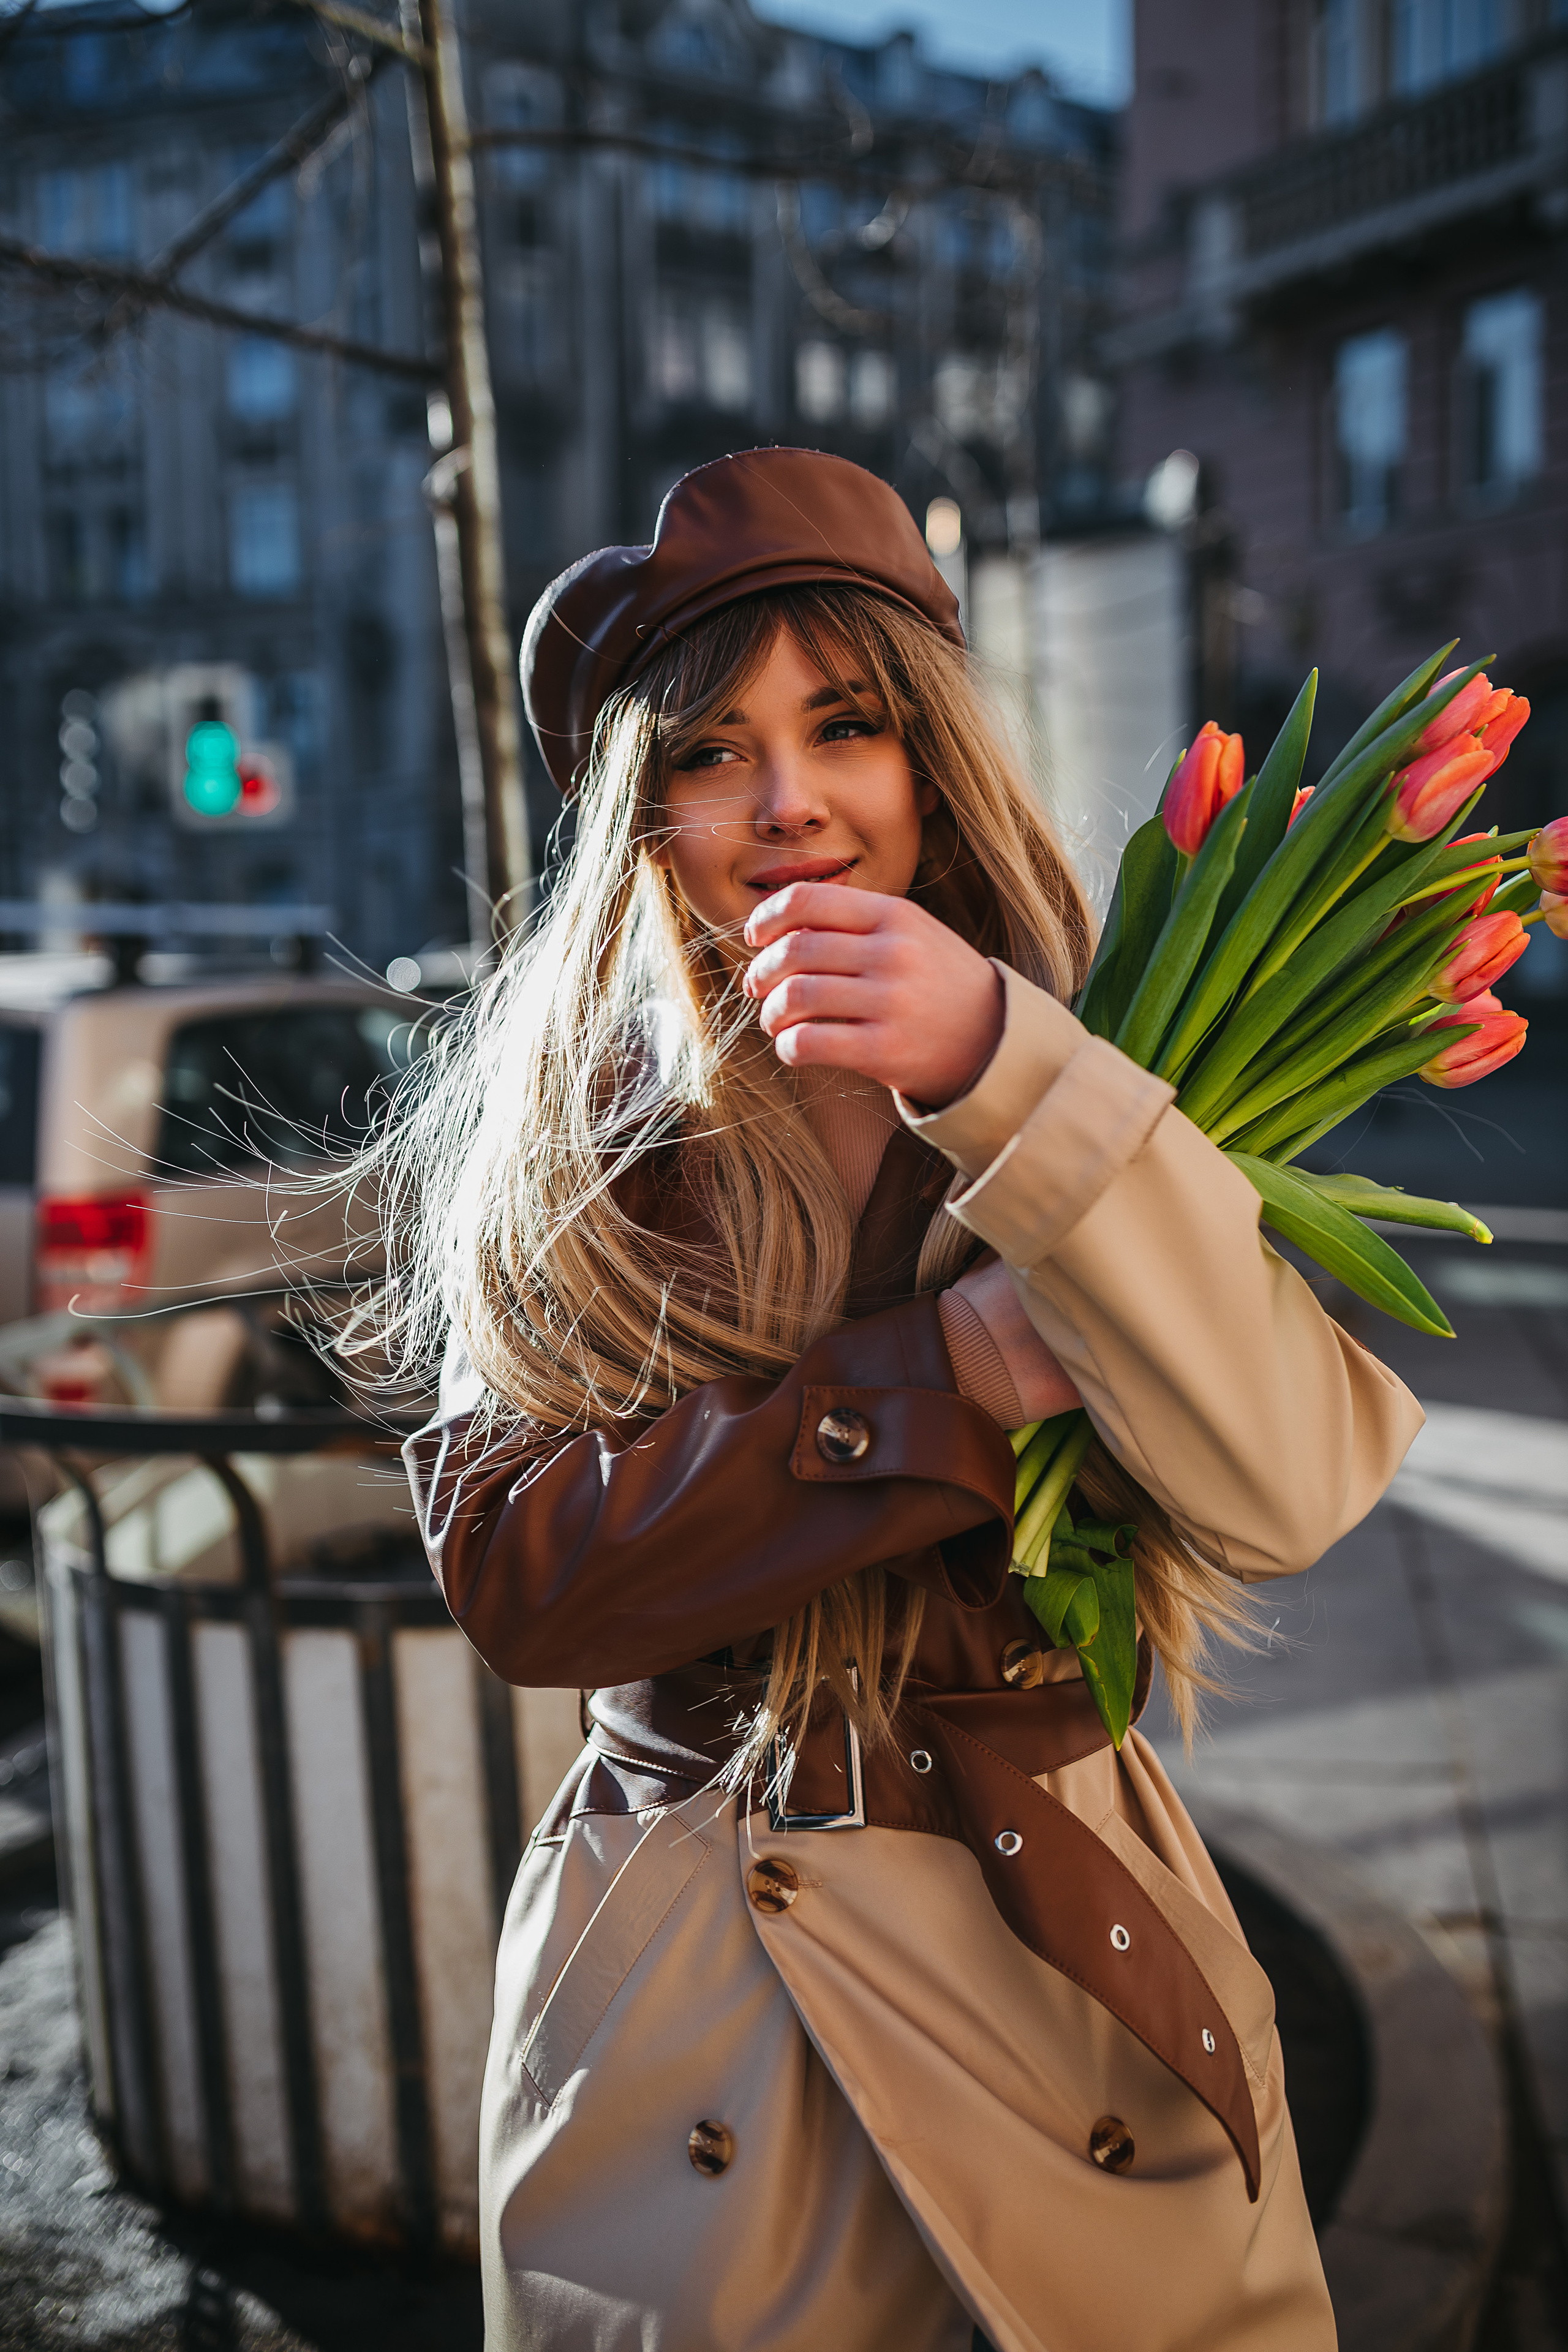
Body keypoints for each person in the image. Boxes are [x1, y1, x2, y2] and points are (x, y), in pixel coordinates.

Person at [385, 448, 1422, 2351]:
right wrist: (934, 1382)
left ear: (929, 754)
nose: (790, 803)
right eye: (709, 752)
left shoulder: (1116, 1058)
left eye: (844, 726)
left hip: (1064, 1949)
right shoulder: (566, 1141)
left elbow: (1292, 1484)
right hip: (699, 1966)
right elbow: (519, 1576)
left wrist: (1008, 1074)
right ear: (644, 819)